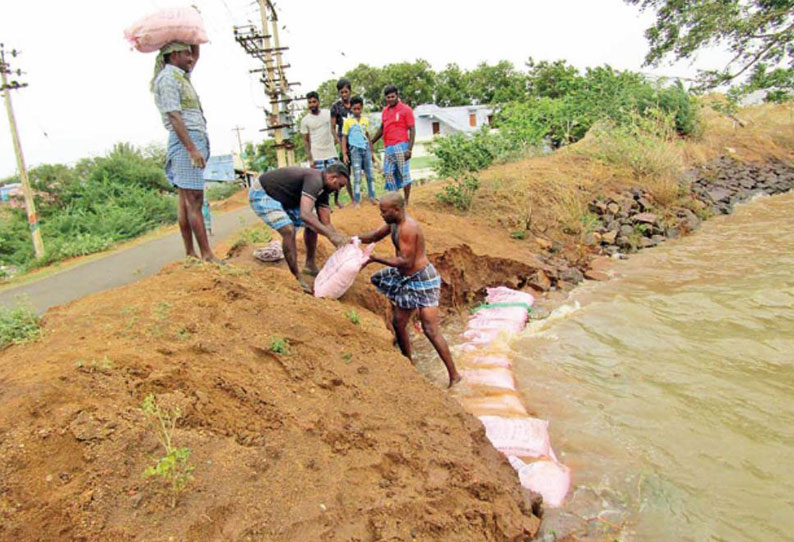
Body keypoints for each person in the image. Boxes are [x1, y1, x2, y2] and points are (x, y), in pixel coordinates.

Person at [357, 192, 461, 388]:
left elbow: (405, 261)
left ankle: (454, 375)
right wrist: (353, 239)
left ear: (396, 210)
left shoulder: (407, 228)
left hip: (423, 280)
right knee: (398, 321)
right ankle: (408, 363)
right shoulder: (394, 222)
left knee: (430, 329)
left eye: (383, 211)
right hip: (406, 276)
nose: (381, 214)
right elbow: (374, 235)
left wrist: (374, 258)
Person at [152, 42, 220, 262]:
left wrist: (193, 36)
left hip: (191, 139)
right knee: (194, 199)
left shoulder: (180, 76)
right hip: (185, 142)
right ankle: (206, 254)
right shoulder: (168, 79)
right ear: (173, 55)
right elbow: (173, 115)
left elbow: (195, 55)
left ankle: (191, 254)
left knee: (185, 200)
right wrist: (192, 149)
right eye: (186, 54)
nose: (191, 58)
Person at [249, 164, 350, 293]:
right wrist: (331, 236)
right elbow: (305, 214)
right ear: (332, 177)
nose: (338, 190)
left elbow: (326, 223)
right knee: (288, 230)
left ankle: (310, 265)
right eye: (340, 185)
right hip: (263, 193)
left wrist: (341, 242)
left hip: (286, 199)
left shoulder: (325, 190)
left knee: (313, 225)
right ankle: (296, 277)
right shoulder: (315, 179)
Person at [371, 85, 415, 206]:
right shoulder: (385, 111)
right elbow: (382, 128)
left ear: (397, 96)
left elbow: (412, 129)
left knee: (404, 173)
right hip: (388, 147)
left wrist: (409, 149)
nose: (390, 99)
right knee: (389, 174)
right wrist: (371, 141)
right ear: (385, 98)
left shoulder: (406, 110)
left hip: (402, 146)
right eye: (388, 97)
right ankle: (395, 201)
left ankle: (406, 201)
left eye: (392, 96)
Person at [342, 96, 378, 207]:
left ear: (361, 108)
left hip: (365, 148)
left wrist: (371, 152)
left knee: (370, 174)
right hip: (354, 150)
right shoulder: (348, 122)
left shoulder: (365, 120)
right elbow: (344, 137)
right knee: (357, 175)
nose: (356, 111)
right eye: (354, 109)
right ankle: (357, 200)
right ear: (351, 109)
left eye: (358, 108)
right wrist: (344, 153)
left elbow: (367, 135)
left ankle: (372, 196)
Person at [330, 78, 355, 207]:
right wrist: (340, 144)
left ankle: (363, 196)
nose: (344, 95)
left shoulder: (355, 104)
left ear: (350, 91)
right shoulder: (336, 107)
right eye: (341, 92)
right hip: (344, 143)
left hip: (356, 143)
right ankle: (339, 199)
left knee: (361, 169)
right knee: (343, 172)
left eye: (346, 92)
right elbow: (333, 128)